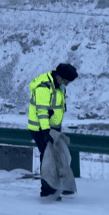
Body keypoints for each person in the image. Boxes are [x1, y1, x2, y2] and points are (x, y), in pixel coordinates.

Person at [27, 63, 78, 199]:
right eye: (66, 81)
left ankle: (61, 185)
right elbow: (42, 112)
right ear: (59, 77)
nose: (66, 84)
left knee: (58, 156)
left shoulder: (58, 86)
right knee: (48, 158)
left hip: (53, 128)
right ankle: (47, 190)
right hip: (41, 128)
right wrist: (45, 131)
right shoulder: (44, 87)